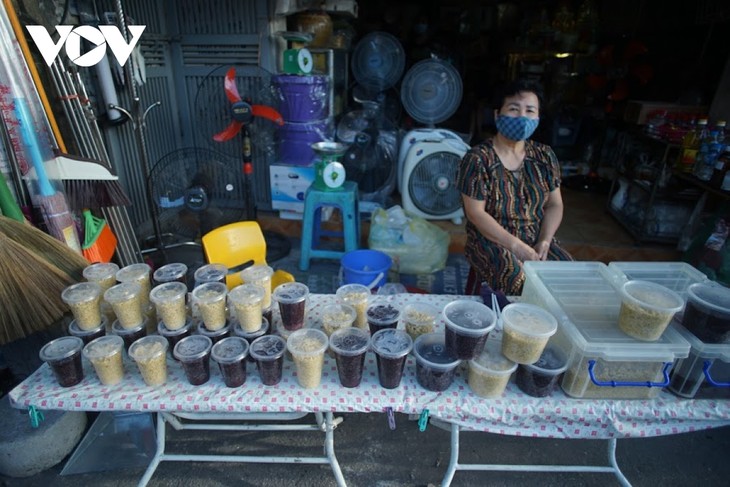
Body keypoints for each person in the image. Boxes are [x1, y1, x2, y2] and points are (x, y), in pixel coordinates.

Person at [456, 79, 573, 296]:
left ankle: (549, 328)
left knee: (566, 275)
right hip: (490, 239)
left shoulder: (544, 156)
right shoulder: (478, 159)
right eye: (513, 109)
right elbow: (475, 213)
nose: (522, 117)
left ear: (538, 117)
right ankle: (515, 326)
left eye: (530, 110)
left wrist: (545, 240)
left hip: (535, 235)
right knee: (517, 279)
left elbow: (555, 205)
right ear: (497, 114)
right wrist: (517, 247)